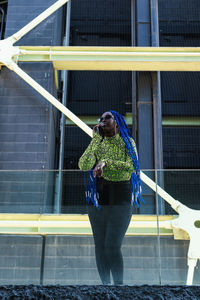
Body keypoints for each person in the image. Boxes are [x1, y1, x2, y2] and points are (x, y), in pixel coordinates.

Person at [78, 110, 142, 285]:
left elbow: (132, 166)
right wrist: (95, 140)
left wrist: (106, 162)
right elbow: (83, 165)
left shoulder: (127, 142)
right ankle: (105, 287)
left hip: (121, 197)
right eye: (101, 118)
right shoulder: (98, 143)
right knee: (100, 246)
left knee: (112, 245)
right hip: (99, 198)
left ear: (117, 121)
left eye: (107, 117)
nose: (102, 120)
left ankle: (118, 287)